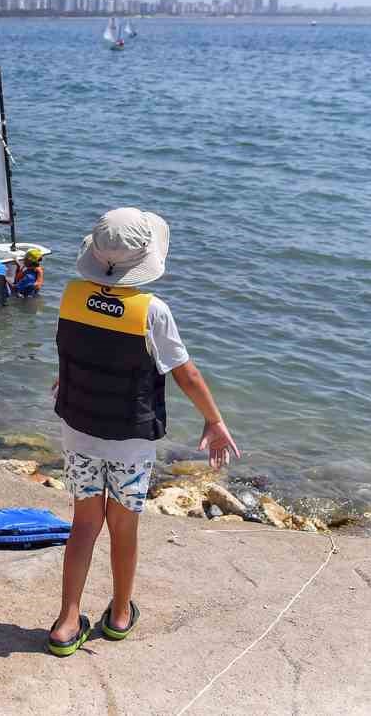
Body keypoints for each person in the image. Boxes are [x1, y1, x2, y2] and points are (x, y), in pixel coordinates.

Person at [45, 208, 240, 658]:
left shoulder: (71, 295)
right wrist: (213, 420)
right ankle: (117, 615)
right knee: (123, 525)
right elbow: (186, 373)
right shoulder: (152, 311)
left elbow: (71, 346)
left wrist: (68, 378)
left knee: (84, 524)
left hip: (79, 430)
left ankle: (66, 622)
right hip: (131, 439)